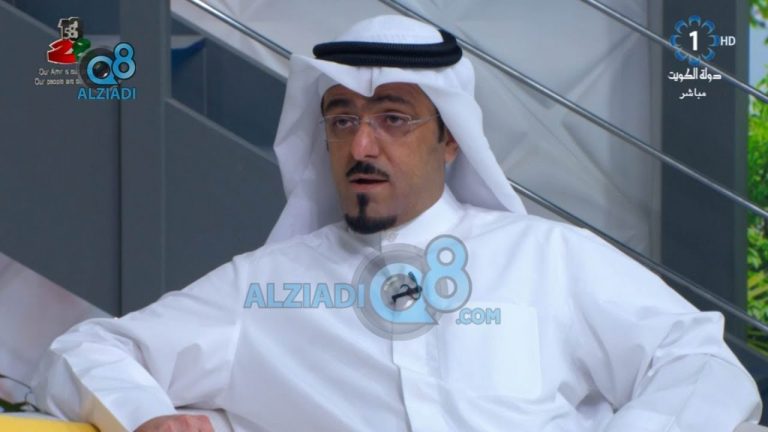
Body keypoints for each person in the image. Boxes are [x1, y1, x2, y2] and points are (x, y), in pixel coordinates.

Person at [32, 15, 761, 432]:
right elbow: (86, 350)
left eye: (393, 118)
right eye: (341, 119)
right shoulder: (263, 289)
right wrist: (145, 416)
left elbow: (697, 361)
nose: (361, 145)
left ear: (451, 140)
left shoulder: (549, 258)